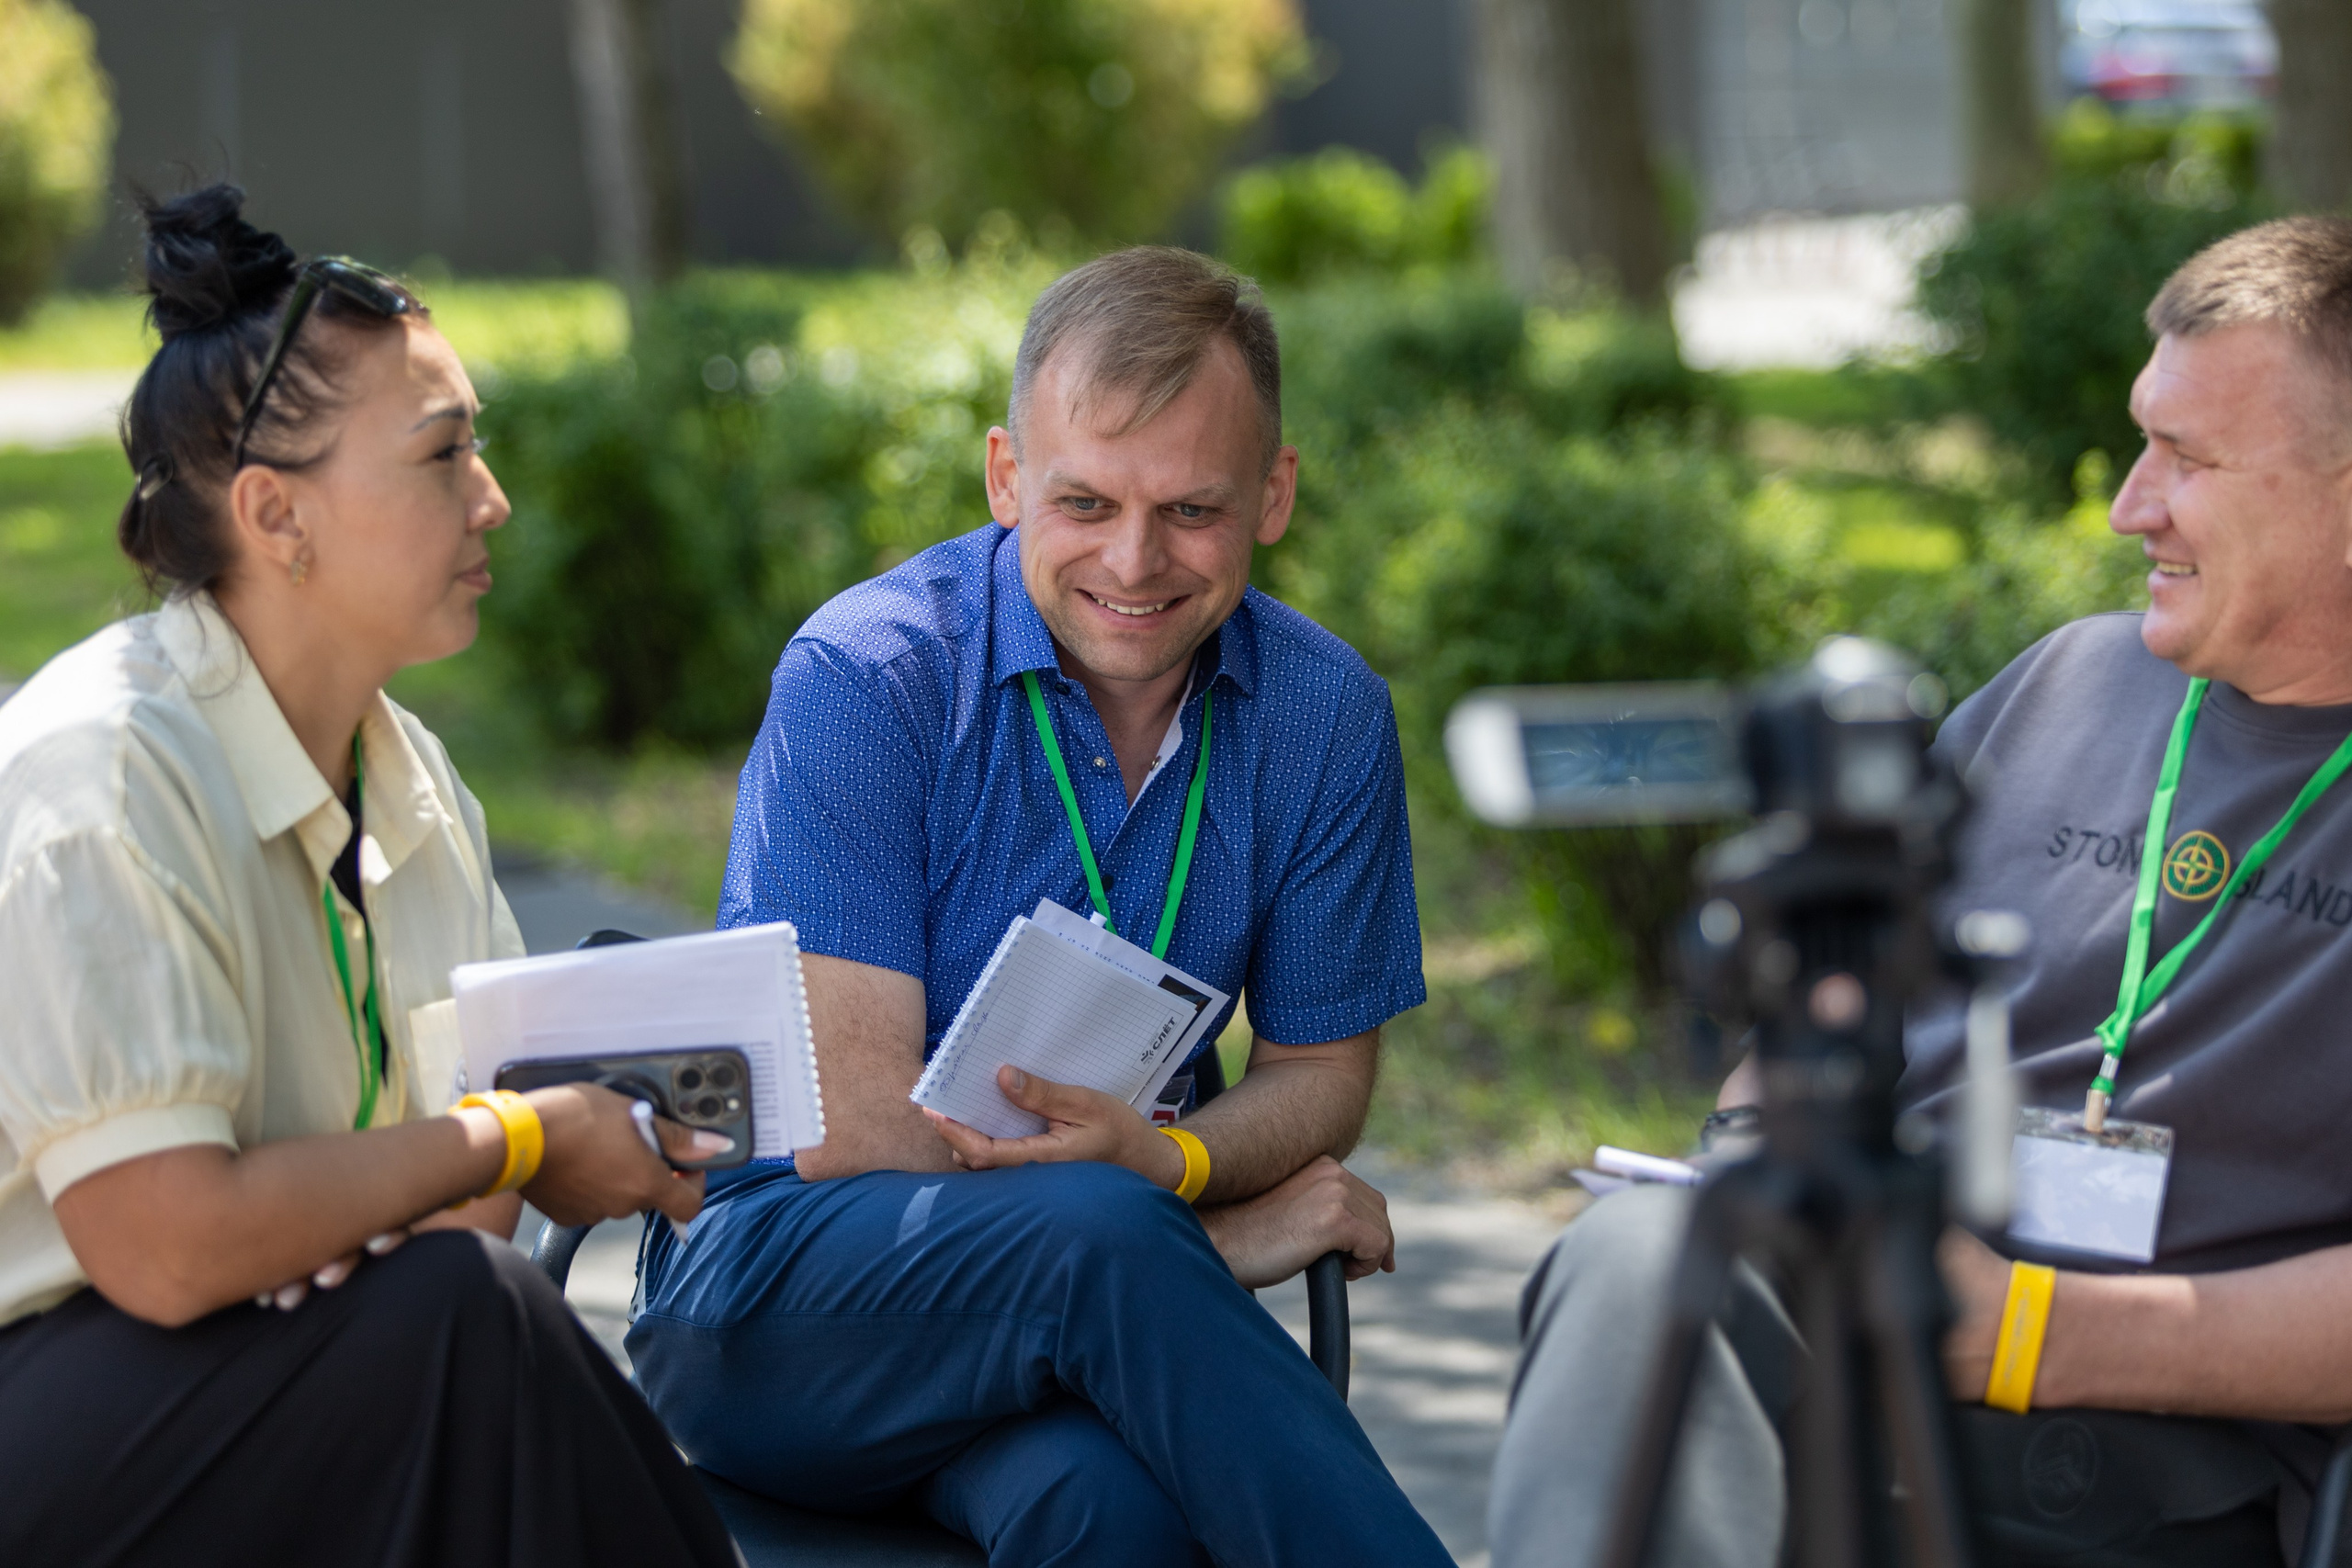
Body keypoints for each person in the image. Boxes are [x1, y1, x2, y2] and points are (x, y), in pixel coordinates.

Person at [1487, 214, 2352, 1568]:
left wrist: (2028, 1334)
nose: (2131, 505)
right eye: (2141, 442)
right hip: (1854, 1333)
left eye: (2190, 460)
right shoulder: (2068, 681)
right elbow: (1833, 980)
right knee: (1639, 1259)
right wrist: (1753, 1144)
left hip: (2147, 1464)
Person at [624, 246, 1453, 1567]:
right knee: (1098, 1242)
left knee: (1111, 1517)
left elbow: (1321, 1075)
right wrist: (1203, 1234)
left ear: (1274, 494)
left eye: (1192, 509)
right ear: (1006, 477)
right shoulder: (870, 675)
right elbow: (852, 1127)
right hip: (779, 1293)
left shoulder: (1325, 715)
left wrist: (1171, 1167)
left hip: (1065, 1333)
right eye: (1084, 502)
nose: (1136, 559)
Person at [0, 186, 737, 1567]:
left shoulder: (412, 780)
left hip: (266, 1361)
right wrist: (523, 1136)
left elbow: (455, 1214)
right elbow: (166, 1247)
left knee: (463, 1319)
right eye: (444, 454)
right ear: (276, 514)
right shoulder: (104, 772)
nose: (492, 498)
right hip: (49, 1402)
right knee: (470, 1321)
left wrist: (478, 1165)